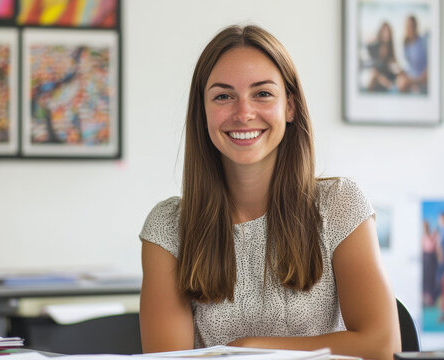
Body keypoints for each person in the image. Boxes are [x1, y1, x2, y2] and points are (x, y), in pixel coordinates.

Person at [139, 25, 400, 360]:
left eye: (262, 93)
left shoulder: (340, 204)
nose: (244, 113)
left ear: (290, 107)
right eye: (223, 96)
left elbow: (383, 347)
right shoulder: (167, 228)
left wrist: (247, 349)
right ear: (202, 113)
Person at [396, 15, 428, 94]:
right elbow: (406, 66)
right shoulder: (405, 44)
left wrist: (417, 80)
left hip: (421, 78)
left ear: (415, 26)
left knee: (404, 84)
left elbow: (429, 66)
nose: (409, 29)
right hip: (410, 78)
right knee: (399, 82)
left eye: (411, 26)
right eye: (407, 26)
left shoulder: (423, 41)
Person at [366, 22, 401, 92]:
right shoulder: (375, 47)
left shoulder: (390, 48)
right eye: (385, 31)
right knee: (374, 75)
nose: (386, 34)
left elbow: (395, 67)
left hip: (388, 76)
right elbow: (373, 68)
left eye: (388, 32)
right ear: (381, 33)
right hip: (379, 77)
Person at [422, 221, 439, 307]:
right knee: (426, 279)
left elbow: (433, 246)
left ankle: (431, 298)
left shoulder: (432, 236)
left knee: (431, 278)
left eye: (426, 226)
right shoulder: (424, 236)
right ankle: (427, 298)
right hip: (425, 257)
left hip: (431, 257)